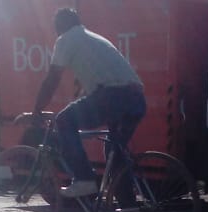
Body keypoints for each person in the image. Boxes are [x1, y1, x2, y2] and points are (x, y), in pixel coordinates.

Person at [24, 8, 147, 201]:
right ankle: (129, 211)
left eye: (56, 28)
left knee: (64, 120)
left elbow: (52, 80)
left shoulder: (66, 39)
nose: (56, 32)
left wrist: (37, 109)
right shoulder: (95, 39)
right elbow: (95, 87)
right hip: (136, 98)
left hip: (112, 96)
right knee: (115, 152)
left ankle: (84, 179)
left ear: (61, 26)